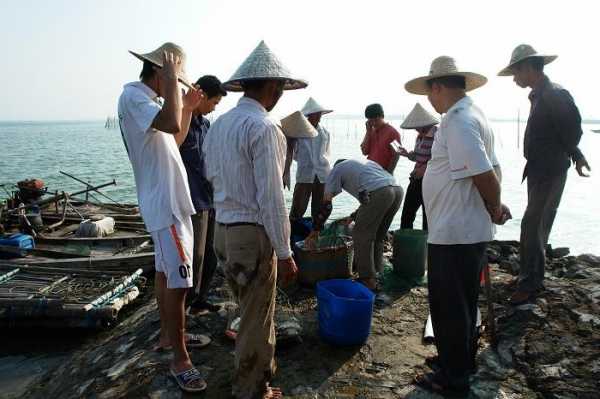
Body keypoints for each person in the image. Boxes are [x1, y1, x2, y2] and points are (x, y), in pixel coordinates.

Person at [404, 56, 511, 397]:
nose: (430, 100)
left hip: (455, 232)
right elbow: (493, 169)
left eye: (429, 92)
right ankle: (459, 362)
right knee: (462, 304)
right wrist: (495, 204)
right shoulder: (473, 115)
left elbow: (483, 173)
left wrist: (493, 206)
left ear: (438, 88)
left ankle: (453, 378)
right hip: (464, 229)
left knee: (449, 307)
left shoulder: (458, 121)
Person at [202, 40, 302, 399]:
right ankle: (251, 390)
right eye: (280, 90)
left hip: (223, 231)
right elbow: (272, 199)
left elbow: (210, 174)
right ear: (274, 88)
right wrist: (285, 251)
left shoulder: (218, 125)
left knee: (247, 311)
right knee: (257, 318)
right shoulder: (265, 128)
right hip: (251, 234)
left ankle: (257, 374)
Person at [118, 43, 208, 393]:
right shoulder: (134, 97)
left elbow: (175, 136)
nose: (179, 87)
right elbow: (169, 123)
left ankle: (168, 338)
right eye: (172, 78)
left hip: (169, 201)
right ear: (159, 73)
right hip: (166, 204)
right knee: (181, 282)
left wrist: (185, 109)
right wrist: (172, 84)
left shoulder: (149, 103)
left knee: (165, 273)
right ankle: (181, 358)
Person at [498, 44, 592, 305]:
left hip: (550, 171)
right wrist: (577, 156)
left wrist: (574, 155)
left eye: (516, 73)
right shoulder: (539, 95)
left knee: (532, 225)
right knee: (536, 226)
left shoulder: (554, 94)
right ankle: (528, 275)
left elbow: (572, 133)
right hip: (539, 170)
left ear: (528, 68)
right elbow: (560, 132)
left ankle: (530, 283)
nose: (515, 79)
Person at [307, 159, 403, 292]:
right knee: (378, 235)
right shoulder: (365, 167)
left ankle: (367, 279)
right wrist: (352, 217)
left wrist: (316, 230)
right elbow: (370, 200)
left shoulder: (336, 170)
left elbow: (326, 206)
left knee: (360, 234)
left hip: (381, 192)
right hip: (397, 190)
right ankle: (377, 272)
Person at [179, 75, 227, 316]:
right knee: (194, 257)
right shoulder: (182, 120)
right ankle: (184, 308)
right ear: (202, 96)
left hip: (210, 196)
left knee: (211, 254)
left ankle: (200, 299)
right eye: (214, 102)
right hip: (191, 198)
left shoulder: (206, 126)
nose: (214, 108)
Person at [284, 97, 332, 224]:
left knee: (319, 209)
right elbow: (293, 154)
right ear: (308, 116)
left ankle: (315, 235)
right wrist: (304, 161)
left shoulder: (325, 133)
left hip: (322, 174)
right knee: (298, 207)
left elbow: (327, 152)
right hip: (305, 174)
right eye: (315, 114)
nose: (318, 117)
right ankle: (292, 235)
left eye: (319, 114)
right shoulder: (299, 133)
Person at [398, 103, 439, 230]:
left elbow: (441, 158)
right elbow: (418, 156)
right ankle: (407, 242)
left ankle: (427, 247)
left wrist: (425, 168)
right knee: (407, 214)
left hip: (431, 180)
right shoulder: (420, 135)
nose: (416, 129)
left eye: (417, 126)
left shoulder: (437, 134)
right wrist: (407, 154)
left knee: (428, 217)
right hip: (416, 178)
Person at [360, 103, 402, 173]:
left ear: (382, 116)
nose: (373, 123)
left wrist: (388, 173)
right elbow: (364, 152)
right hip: (369, 171)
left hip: (383, 174)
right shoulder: (370, 132)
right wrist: (368, 132)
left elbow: (397, 154)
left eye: (376, 120)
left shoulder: (392, 133)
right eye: (371, 120)